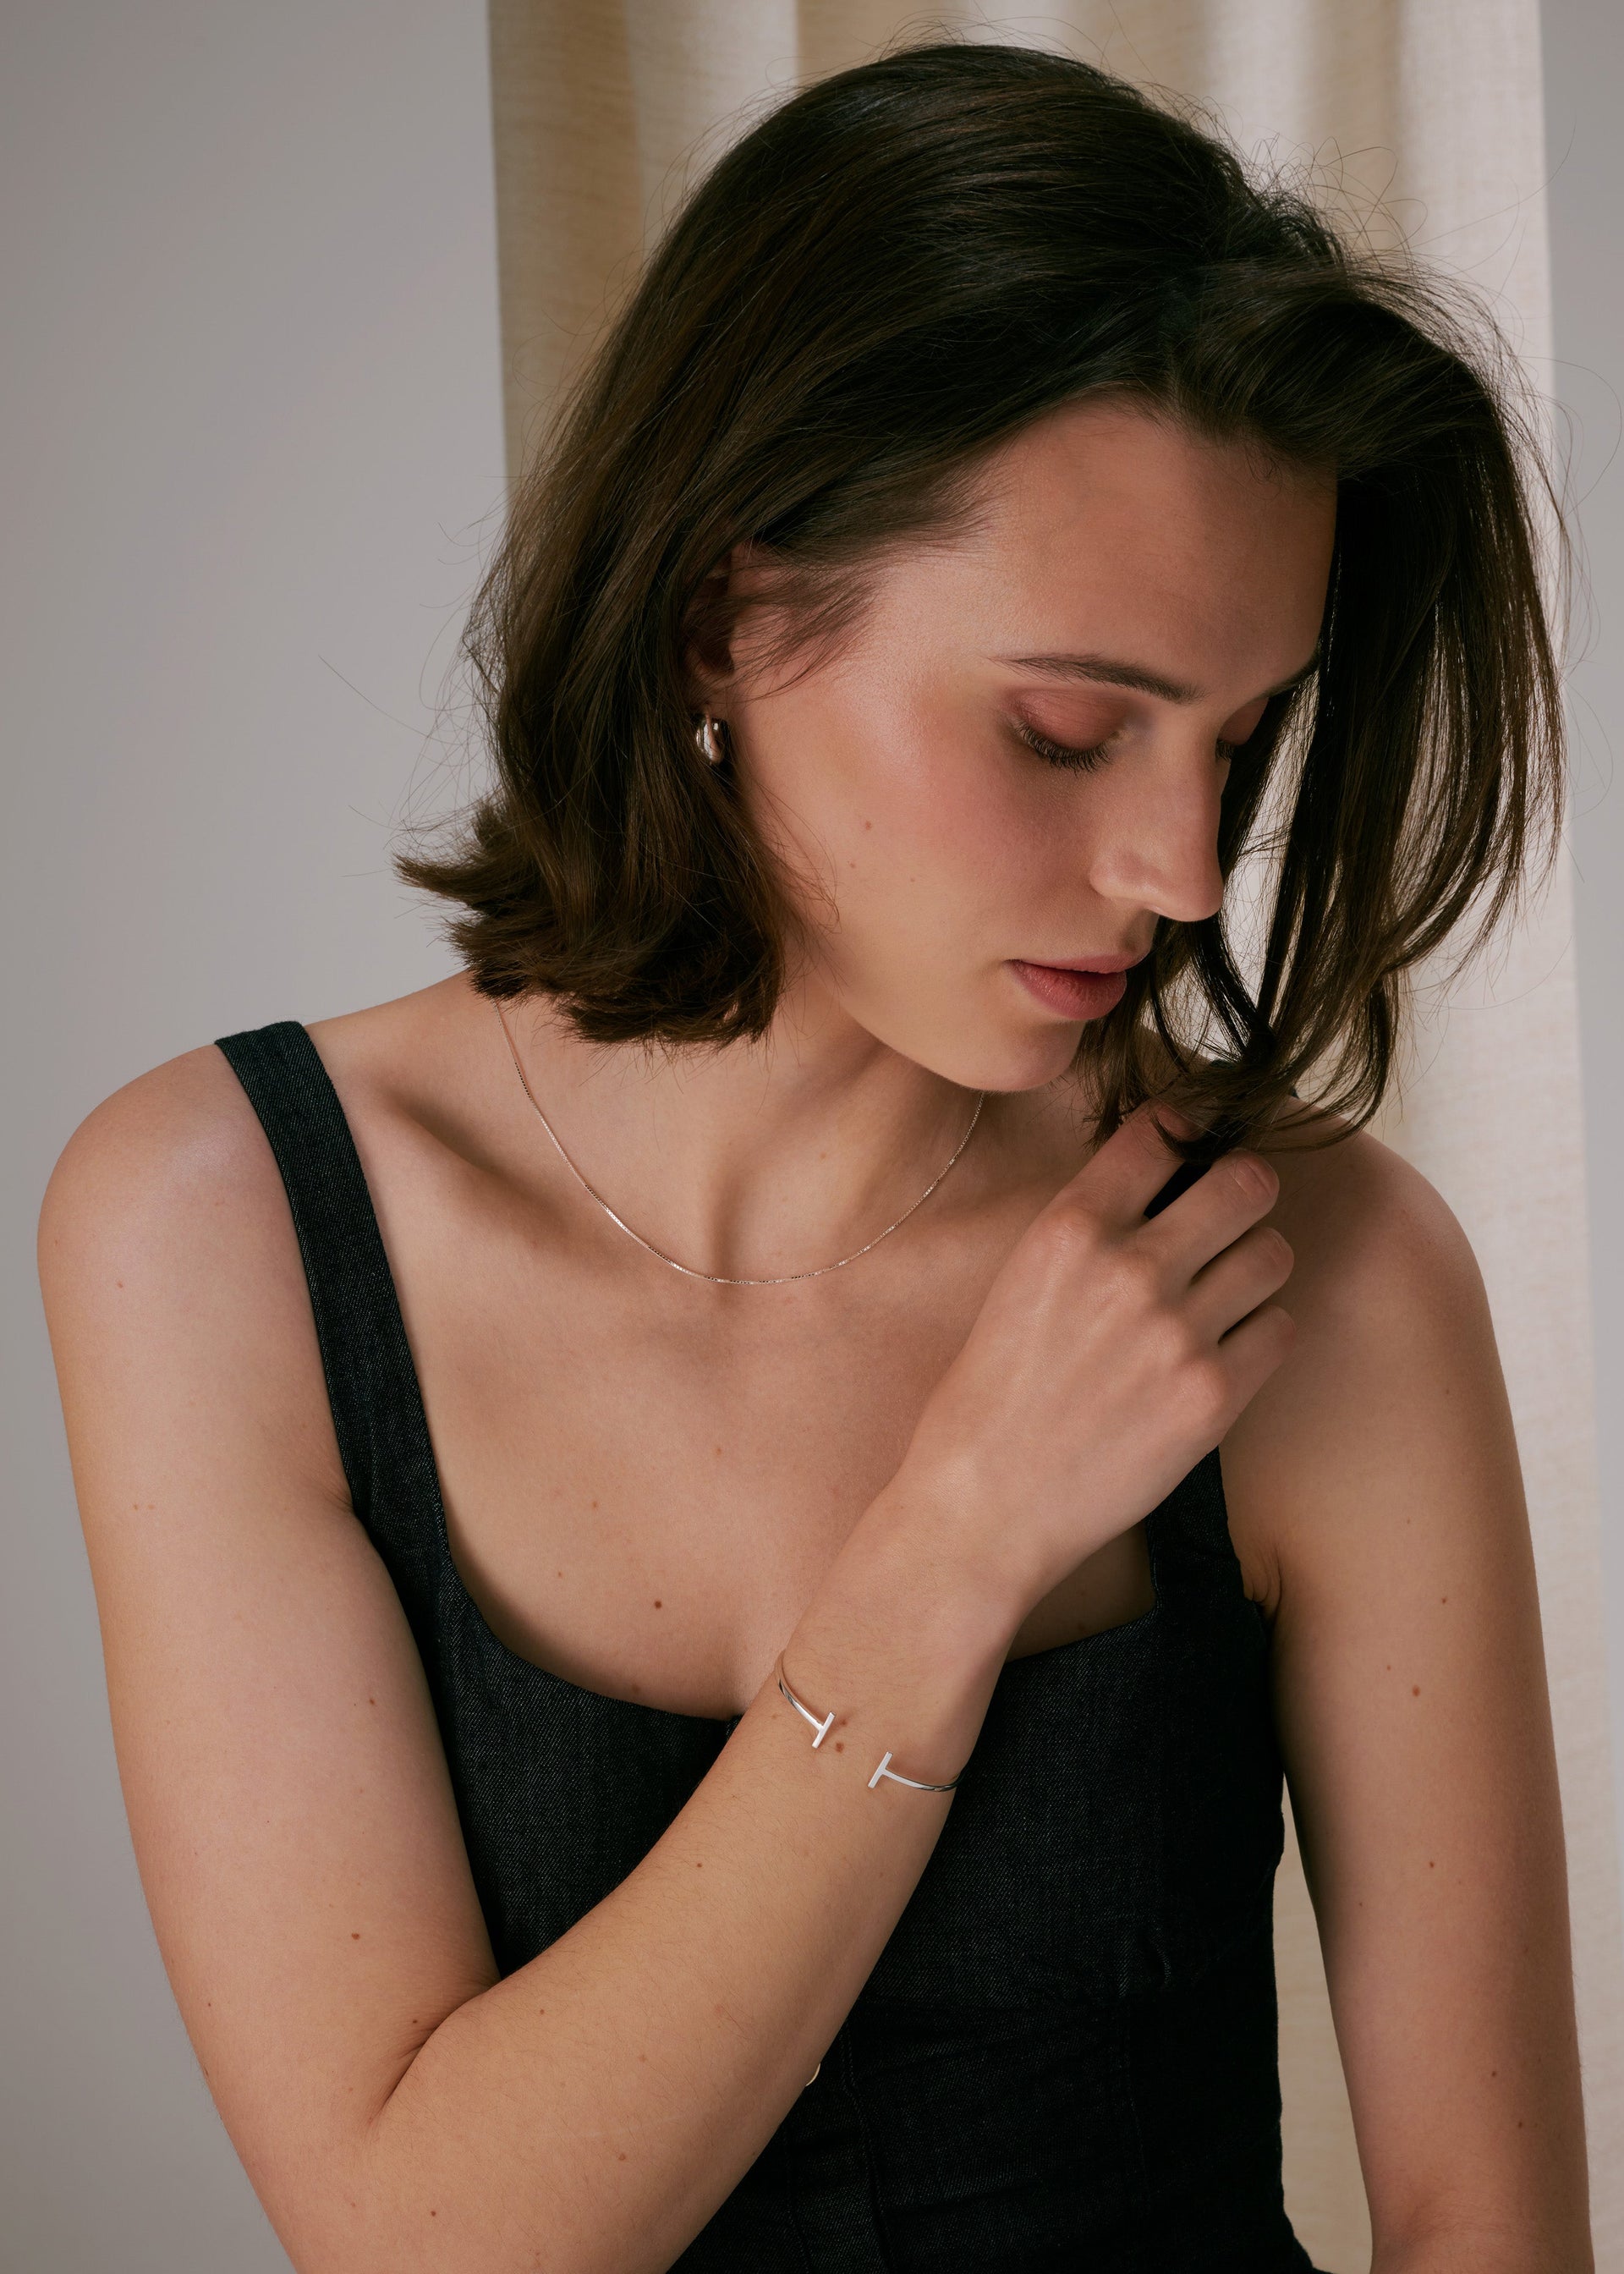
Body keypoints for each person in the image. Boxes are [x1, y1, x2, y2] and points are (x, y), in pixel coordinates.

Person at [37, 40, 1591, 2274]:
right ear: (723, 611)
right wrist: (960, 1539)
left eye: (1238, 738)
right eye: (1062, 725)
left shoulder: (1317, 1282)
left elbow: (1492, 2234)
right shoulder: (217, 1231)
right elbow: (427, 2241)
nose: (1174, 866)